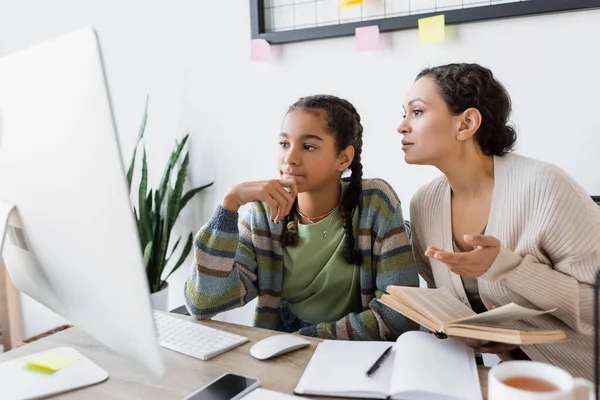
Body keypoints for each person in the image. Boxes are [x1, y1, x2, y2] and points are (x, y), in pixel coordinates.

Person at [398, 62, 599, 380]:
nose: (402, 126)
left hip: (582, 380)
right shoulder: (424, 203)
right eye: (404, 114)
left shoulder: (546, 186)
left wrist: (511, 269)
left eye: (417, 112)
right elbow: (449, 308)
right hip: (510, 380)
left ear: (466, 123)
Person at [185, 94, 419, 340]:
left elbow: (399, 316)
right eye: (284, 144)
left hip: (353, 350)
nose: (290, 158)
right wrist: (230, 203)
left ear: (344, 158)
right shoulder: (265, 214)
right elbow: (203, 302)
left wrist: (305, 338)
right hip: (284, 346)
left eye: (308, 147)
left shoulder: (375, 203)